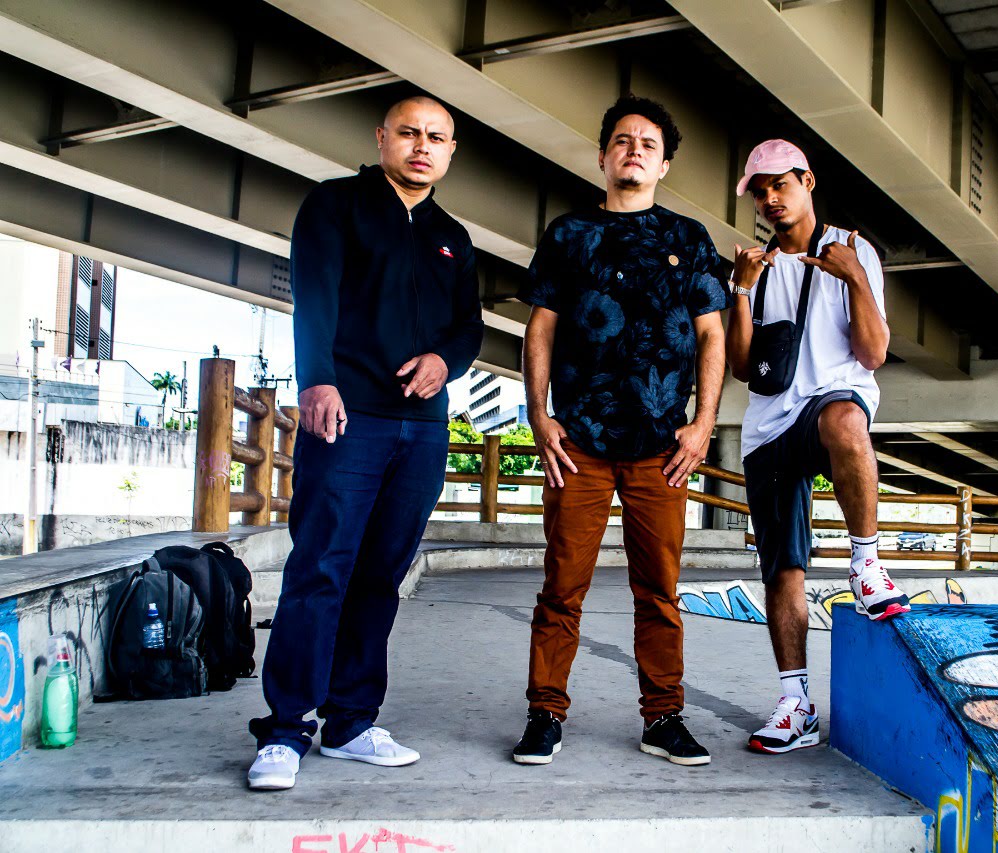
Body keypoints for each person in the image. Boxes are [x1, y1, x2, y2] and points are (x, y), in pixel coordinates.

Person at [246, 96, 483, 790]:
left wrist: (445, 361)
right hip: (348, 417)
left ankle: (350, 722)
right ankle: (285, 728)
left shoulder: (452, 236)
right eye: (409, 132)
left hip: (423, 427)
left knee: (382, 574)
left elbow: (469, 328)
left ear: (450, 151)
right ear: (382, 138)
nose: (422, 146)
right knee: (322, 565)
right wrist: (317, 382)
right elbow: (314, 298)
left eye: (436, 137)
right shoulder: (334, 205)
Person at [512, 95, 727, 767]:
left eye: (648, 144)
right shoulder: (568, 234)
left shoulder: (688, 238)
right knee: (562, 587)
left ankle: (663, 717)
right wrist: (539, 414)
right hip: (578, 441)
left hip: (662, 447)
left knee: (659, 591)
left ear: (664, 166)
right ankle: (545, 713)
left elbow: (712, 335)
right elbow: (541, 327)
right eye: (623, 141)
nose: (634, 150)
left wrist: (703, 424)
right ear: (604, 156)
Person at [725, 139, 910, 756]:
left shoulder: (855, 250)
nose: (770, 199)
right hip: (770, 424)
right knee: (782, 568)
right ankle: (795, 704)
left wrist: (852, 275)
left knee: (846, 421)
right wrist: (741, 290)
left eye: (780, 184)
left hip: (831, 398)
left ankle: (866, 564)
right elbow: (743, 367)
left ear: (807, 181)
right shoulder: (755, 266)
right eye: (760, 192)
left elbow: (873, 354)